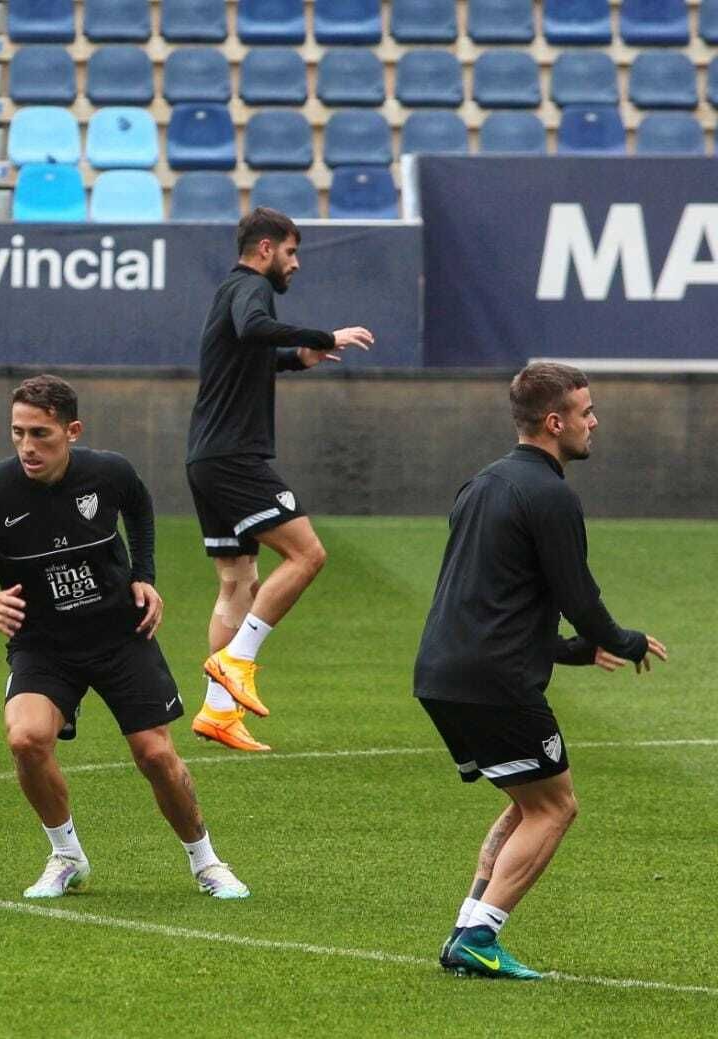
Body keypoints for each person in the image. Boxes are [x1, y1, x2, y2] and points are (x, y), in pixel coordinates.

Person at [0, 375, 249, 901]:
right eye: (17, 433)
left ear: (72, 431)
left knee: (155, 755)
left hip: (118, 635)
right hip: (43, 645)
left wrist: (144, 575)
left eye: (40, 434)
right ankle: (66, 856)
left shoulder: (109, 473)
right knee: (25, 739)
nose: (26, 446)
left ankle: (206, 861)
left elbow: (140, 507)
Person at [416, 362, 666, 979]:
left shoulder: (480, 484)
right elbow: (580, 599)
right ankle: (479, 935)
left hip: (441, 674)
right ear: (555, 423)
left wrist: (578, 650)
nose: (594, 421)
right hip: (496, 684)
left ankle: (468, 929)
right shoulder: (551, 495)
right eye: (586, 412)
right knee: (556, 807)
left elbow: (493, 604)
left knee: (528, 799)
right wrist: (623, 640)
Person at [184, 207, 374, 753]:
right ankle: (237, 661)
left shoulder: (228, 291)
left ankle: (218, 714)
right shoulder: (250, 288)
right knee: (308, 554)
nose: (294, 264)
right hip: (234, 457)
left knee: (237, 581)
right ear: (265, 249)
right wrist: (324, 333)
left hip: (206, 457)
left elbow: (244, 355)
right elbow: (253, 329)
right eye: (290, 253)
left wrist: (297, 358)